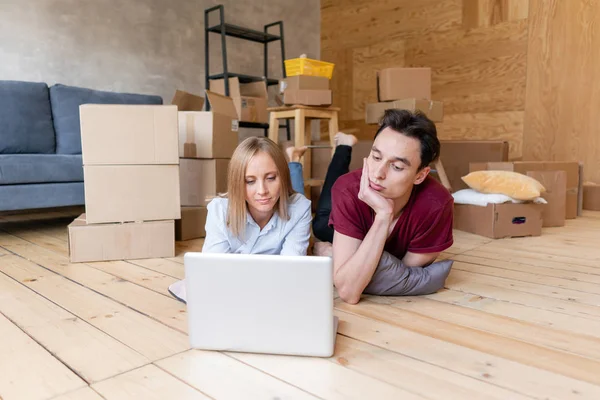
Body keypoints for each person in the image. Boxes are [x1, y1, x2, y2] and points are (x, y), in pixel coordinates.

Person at [312, 109, 455, 304]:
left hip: (360, 235)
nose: (378, 173)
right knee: (321, 222)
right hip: (338, 222)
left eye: (396, 167)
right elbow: (349, 292)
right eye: (376, 157)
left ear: (420, 175)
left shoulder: (437, 204)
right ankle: (344, 145)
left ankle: (329, 252)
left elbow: (395, 277)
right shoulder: (348, 189)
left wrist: (383, 214)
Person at [168, 136, 312, 303]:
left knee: (296, 200)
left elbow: (289, 272)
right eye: (250, 181)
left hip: (260, 284)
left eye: (271, 178)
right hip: (254, 286)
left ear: (282, 177)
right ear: (237, 183)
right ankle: (293, 157)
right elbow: (214, 273)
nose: (262, 190)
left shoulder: (300, 208)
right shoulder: (220, 211)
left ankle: (293, 160)